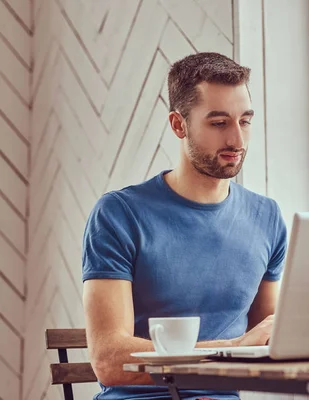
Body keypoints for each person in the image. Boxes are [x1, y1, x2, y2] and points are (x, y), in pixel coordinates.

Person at [82, 52, 287, 400]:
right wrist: (231, 349)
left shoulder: (266, 217)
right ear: (179, 125)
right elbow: (109, 360)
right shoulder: (119, 214)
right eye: (219, 123)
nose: (237, 141)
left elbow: (270, 336)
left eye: (245, 121)